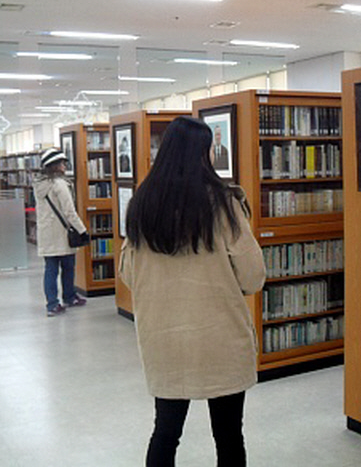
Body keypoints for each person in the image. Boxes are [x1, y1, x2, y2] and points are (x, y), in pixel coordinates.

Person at [119, 116, 266, 466]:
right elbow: (252, 277)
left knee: (165, 432)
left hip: (164, 338)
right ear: (203, 153)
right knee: (229, 434)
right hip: (219, 338)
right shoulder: (224, 205)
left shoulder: (142, 204)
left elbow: (128, 272)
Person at [33, 148, 88, 317]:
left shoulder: (39, 184)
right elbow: (69, 211)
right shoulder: (59, 185)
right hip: (62, 233)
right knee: (68, 267)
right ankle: (69, 297)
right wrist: (82, 230)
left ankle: (52, 304)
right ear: (55, 165)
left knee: (50, 269)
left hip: (46, 232)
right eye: (62, 163)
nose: (65, 166)